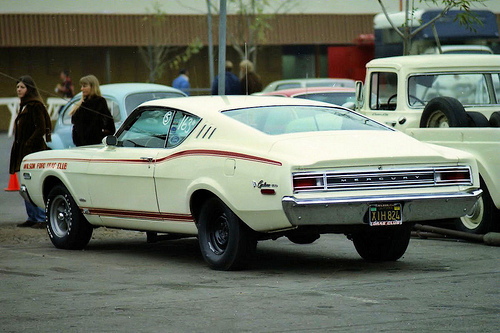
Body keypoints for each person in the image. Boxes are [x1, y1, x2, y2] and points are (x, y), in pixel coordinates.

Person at [10, 75, 52, 228]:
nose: (19, 90)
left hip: (32, 151)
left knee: (33, 183)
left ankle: (41, 217)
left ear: (29, 89)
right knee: (24, 184)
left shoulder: (35, 105)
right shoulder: (24, 105)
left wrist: (28, 143)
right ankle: (32, 216)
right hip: (22, 151)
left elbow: (41, 128)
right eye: (17, 87)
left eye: (22, 87)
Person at [70, 75, 115, 146]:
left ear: (92, 87)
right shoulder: (81, 103)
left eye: (84, 86)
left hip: (94, 145)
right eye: (81, 86)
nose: (82, 89)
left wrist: (98, 136)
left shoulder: (100, 102)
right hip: (80, 146)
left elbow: (109, 125)